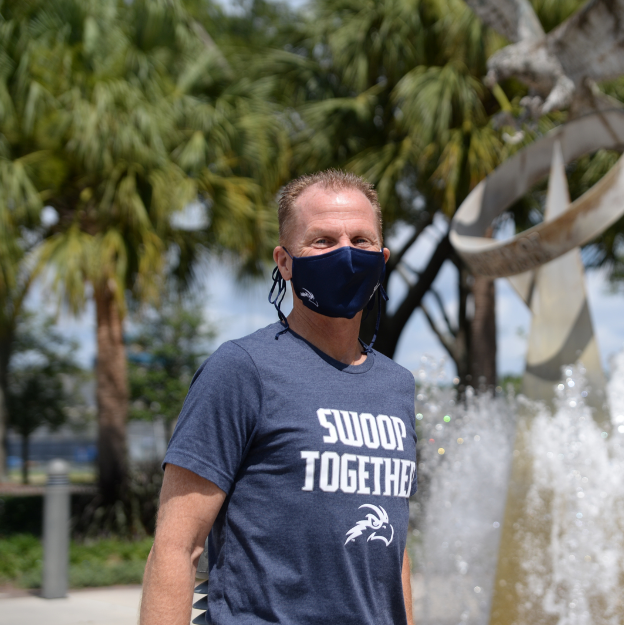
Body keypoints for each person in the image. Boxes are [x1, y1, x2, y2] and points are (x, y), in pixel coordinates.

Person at [140, 170, 417, 625]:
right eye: (322, 241)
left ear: (382, 258)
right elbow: (176, 546)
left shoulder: (397, 386)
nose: (346, 254)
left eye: (361, 241)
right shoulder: (241, 369)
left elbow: (394, 552)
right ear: (285, 262)